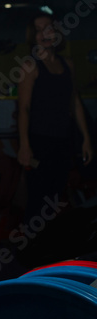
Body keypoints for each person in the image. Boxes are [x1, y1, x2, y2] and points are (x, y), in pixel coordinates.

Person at [17, 11, 93, 220]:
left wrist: (86, 139)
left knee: (56, 195)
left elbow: (75, 102)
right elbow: (23, 108)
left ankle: (50, 247)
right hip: (39, 141)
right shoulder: (30, 66)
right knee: (38, 196)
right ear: (33, 36)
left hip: (64, 139)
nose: (45, 34)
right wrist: (24, 144)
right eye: (39, 30)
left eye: (48, 28)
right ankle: (29, 248)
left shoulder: (67, 64)